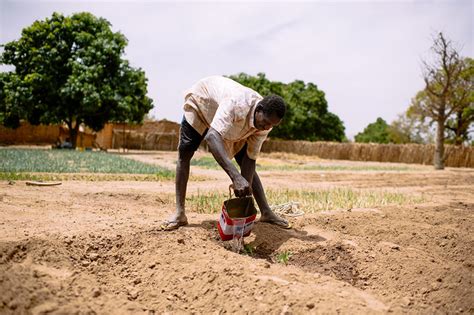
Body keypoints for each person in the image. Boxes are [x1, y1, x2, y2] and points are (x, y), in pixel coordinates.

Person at [161, 75, 290, 230]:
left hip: (230, 121)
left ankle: (266, 212)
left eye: (271, 125)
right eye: (265, 122)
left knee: (244, 160)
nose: (267, 127)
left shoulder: (265, 125)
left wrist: (244, 197)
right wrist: (236, 177)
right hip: (202, 104)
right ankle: (179, 213)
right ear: (259, 110)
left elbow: (250, 158)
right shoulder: (238, 103)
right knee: (185, 152)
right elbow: (212, 137)